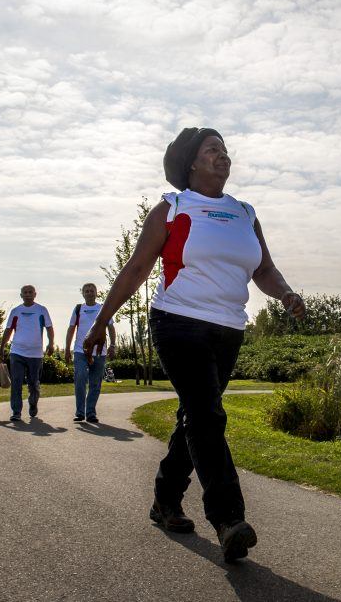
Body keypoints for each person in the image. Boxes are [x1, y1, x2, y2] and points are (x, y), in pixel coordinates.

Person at [83, 127, 305, 563]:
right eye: (212, 151)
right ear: (191, 164)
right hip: (178, 322)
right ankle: (228, 519)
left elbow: (264, 270)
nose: (223, 157)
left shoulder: (245, 212)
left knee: (194, 416)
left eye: (224, 151)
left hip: (228, 329)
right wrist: (101, 322)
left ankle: (165, 500)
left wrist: (286, 294)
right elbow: (136, 268)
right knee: (207, 415)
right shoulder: (174, 207)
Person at [0, 285, 55, 422]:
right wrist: (2, 348)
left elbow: (49, 328)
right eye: (25, 292)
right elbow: (8, 330)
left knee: (33, 383)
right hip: (17, 352)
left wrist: (51, 343)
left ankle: (33, 403)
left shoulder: (41, 310)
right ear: (21, 295)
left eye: (30, 292)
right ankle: (16, 412)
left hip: (35, 354)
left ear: (35, 294)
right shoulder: (16, 311)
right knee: (16, 382)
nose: (28, 294)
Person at [64, 282, 116, 423]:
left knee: (95, 383)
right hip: (81, 351)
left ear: (96, 292)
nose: (89, 292)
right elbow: (71, 329)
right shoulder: (78, 309)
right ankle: (80, 412)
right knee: (80, 378)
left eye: (91, 290)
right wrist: (67, 348)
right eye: (86, 291)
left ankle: (91, 413)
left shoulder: (103, 308)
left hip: (99, 351)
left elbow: (111, 327)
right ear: (82, 293)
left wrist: (112, 345)